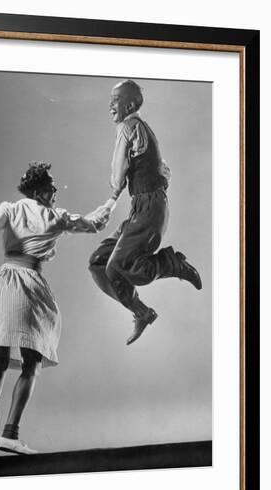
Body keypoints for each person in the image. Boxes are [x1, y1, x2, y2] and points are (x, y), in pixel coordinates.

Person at [0, 162, 110, 455]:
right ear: (40, 191)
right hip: (29, 285)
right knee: (31, 360)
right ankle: (10, 433)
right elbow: (93, 224)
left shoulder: (11, 209)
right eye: (51, 186)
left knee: (1, 344)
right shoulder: (56, 217)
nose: (56, 190)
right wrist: (112, 200)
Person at [89, 80, 202, 345]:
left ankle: (171, 264)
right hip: (142, 207)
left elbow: (118, 177)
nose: (110, 105)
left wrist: (110, 201)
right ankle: (142, 313)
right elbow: (162, 168)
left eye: (115, 99)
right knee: (98, 263)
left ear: (129, 104)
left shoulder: (129, 127)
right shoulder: (142, 129)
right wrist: (114, 203)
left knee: (118, 266)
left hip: (150, 209)